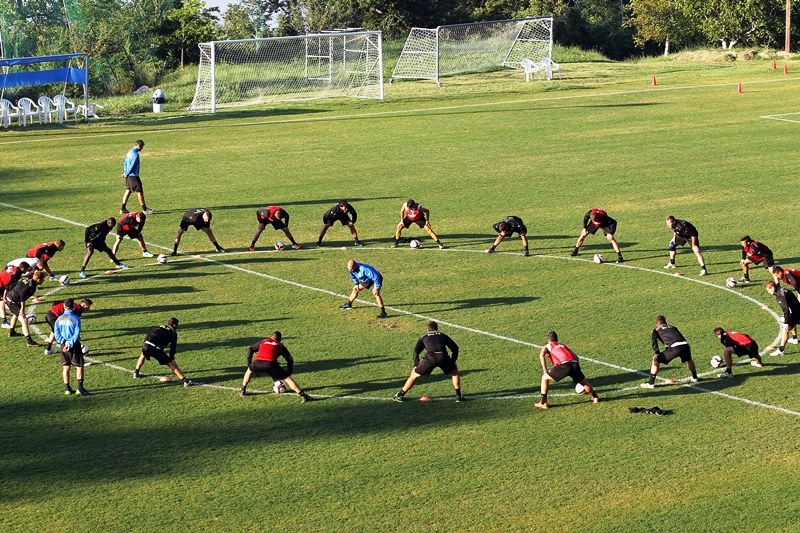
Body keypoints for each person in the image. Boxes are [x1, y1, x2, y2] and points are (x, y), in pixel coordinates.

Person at [393, 321, 463, 402]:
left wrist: (416, 364)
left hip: (430, 359)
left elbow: (416, 351)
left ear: (427, 329)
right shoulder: (443, 335)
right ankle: (458, 396)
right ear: (437, 329)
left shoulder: (423, 336)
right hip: (443, 357)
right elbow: (455, 348)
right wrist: (453, 360)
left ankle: (400, 395)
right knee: (454, 371)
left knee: (414, 375)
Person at [240, 331, 312, 402]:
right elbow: (289, 359)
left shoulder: (264, 341)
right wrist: (289, 372)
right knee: (288, 379)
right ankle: (303, 396)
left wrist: (249, 363)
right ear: (280, 340)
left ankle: (243, 389)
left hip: (257, 363)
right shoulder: (280, 345)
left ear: (271, 337)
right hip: (270, 364)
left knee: (249, 371)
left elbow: (251, 349)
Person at [534, 331, 600, 409]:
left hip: (564, 366)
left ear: (548, 339)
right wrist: (577, 369)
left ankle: (543, 402)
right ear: (557, 339)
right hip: (574, 364)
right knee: (584, 382)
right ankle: (595, 397)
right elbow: (576, 356)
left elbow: (542, 355)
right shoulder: (563, 345)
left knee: (544, 378)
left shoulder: (548, 346)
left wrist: (545, 369)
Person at [133, 317, 197, 385]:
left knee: (142, 355)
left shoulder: (160, 327)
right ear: (174, 325)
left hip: (146, 345)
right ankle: (186, 381)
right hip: (155, 348)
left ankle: (136, 373)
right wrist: (171, 357)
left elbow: (149, 334)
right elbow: (173, 346)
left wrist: (145, 345)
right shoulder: (173, 333)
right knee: (170, 363)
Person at [641, 315, 699, 388]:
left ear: (657, 323)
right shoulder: (673, 327)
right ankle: (695, 377)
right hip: (685, 345)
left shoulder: (656, 330)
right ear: (665, 322)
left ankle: (651, 383)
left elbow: (654, 342)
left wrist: (657, 353)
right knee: (689, 360)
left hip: (675, 347)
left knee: (655, 359)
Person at [54, 303, 89, 396]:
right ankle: (80, 389)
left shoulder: (58, 319)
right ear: (73, 307)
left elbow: (56, 334)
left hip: (63, 345)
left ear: (64, 306)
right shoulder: (76, 318)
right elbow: (76, 333)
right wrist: (69, 343)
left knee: (66, 367)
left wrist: (64, 342)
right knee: (79, 366)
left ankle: (67, 389)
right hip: (74, 345)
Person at [5, 270, 46, 347]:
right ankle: (29, 341)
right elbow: (22, 296)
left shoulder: (26, 280)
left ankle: (12, 332)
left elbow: (14, 286)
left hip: (11, 299)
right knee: (24, 319)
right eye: (43, 279)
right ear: (38, 279)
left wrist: (6, 296)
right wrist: (22, 309)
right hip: (13, 302)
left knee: (16, 314)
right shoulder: (31, 287)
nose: (43, 281)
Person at [763, 280, 800, 356]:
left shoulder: (780, 295)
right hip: (796, 310)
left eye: (768, 290)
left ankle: (781, 350)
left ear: (773, 288)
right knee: (788, 323)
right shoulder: (781, 289)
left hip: (795, 313)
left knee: (786, 329)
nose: (768, 292)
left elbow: (786, 309)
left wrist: (786, 322)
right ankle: (794, 338)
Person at [120, 140, 154, 215]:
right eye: (141, 147)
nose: (142, 148)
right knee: (139, 191)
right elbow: (132, 166)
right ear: (138, 145)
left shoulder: (129, 152)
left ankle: (123, 208)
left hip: (128, 175)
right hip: (133, 176)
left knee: (128, 190)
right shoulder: (135, 154)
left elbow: (125, 162)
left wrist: (125, 172)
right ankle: (145, 209)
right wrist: (126, 173)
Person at [0, 261, 30, 328]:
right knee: (2, 301)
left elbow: (6, 268)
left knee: (3, 300)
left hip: (2, 281)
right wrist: (4, 296)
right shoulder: (16, 274)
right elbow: (8, 286)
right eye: (26, 269)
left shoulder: (15, 267)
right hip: (1, 285)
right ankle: (4, 321)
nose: (26, 271)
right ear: (22, 268)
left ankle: (3, 312)